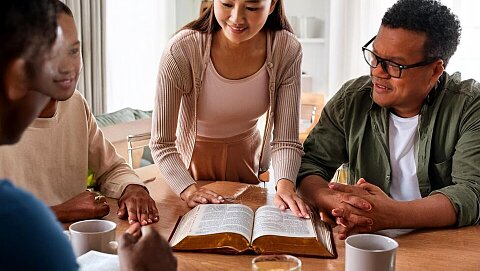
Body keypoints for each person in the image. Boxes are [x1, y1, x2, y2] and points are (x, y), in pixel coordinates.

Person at [0, 1, 176, 270]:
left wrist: (133, 187)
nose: (69, 66)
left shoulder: (75, 105)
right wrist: (61, 210)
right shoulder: (22, 219)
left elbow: (112, 167)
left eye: (75, 51)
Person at [297, 0, 480, 240]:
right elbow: (310, 165)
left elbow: (471, 193)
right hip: (364, 242)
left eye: (394, 65)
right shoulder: (351, 99)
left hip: (440, 244)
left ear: (435, 71)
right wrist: (335, 201)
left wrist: (390, 215)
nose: (377, 71)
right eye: (375, 56)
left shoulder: (469, 106)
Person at [150, 0, 309, 218]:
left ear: (272, 5)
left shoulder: (286, 49)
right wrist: (187, 189)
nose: (236, 18)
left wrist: (285, 187)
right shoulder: (182, 49)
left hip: (247, 165)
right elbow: (162, 143)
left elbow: (286, 140)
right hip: (186, 170)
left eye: (251, 8)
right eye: (226, 4)